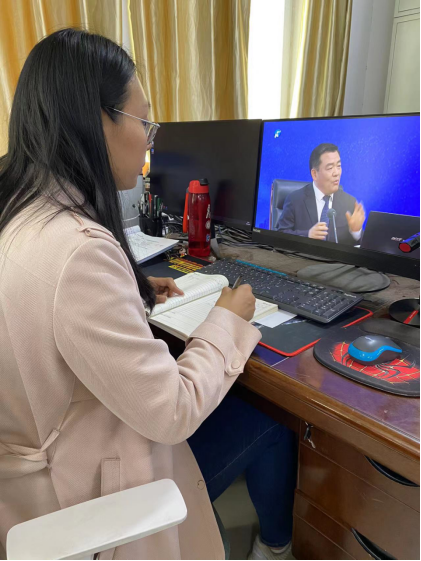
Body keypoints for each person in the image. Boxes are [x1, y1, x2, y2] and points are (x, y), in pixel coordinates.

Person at [0, 29, 296, 561]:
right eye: (145, 122)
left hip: (29, 479)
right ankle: (275, 549)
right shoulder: (78, 251)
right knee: (273, 422)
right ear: (99, 121)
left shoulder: (20, 209)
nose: (149, 142)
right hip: (87, 495)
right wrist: (228, 319)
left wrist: (130, 294)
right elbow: (171, 411)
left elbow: (47, 317)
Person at [276, 143, 366, 245]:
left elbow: (360, 246)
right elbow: (280, 235)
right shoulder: (295, 200)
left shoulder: (349, 202)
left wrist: (356, 232)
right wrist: (307, 235)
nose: (336, 173)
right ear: (314, 174)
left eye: (338, 166)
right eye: (330, 168)